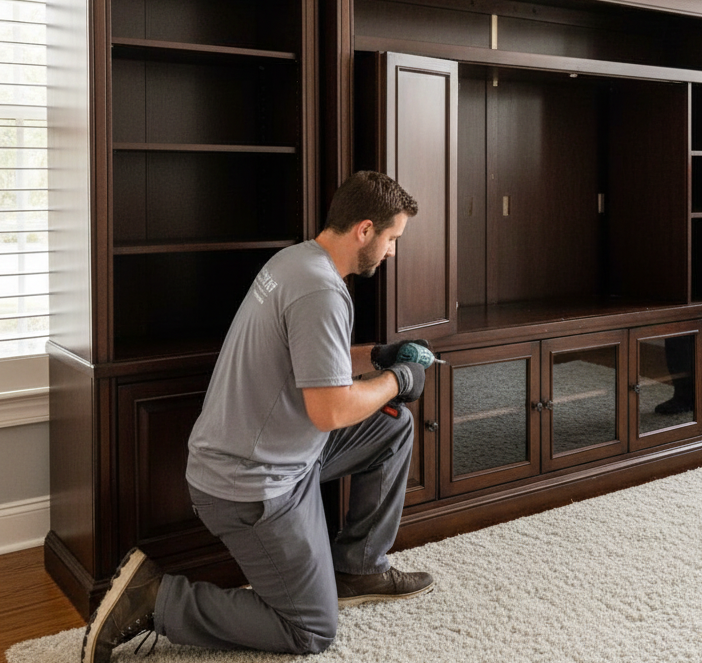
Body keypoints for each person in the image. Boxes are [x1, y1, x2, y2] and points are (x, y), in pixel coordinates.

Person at [82, 171, 437, 662]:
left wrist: (379, 355)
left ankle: (358, 567)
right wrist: (401, 380)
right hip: (252, 484)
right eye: (392, 238)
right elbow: (331, 409)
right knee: (310, 629)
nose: (392, 250)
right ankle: (157, 599)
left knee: (391, 424)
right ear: (365, 229)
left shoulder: (296, 261)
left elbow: (318, 359)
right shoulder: (321, 293)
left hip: (274, 451)